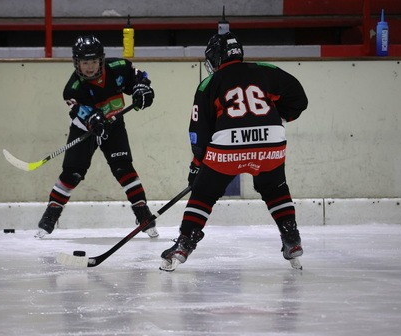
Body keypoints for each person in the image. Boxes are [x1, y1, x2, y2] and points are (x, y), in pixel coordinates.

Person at [160, 32, 308, 271]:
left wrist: (197, 165)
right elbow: (299, 99)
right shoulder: (266, 69)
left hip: (228, 146)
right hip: (270, 141)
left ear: (216, 58)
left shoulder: (210, 83)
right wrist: (278, 116)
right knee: (275, 188)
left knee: (204, 194)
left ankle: (184, 244)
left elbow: (199, 133)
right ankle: (291, 239)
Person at [35, 34, 158, 239]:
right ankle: (51, 214)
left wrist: (142, 90)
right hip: (85, 129)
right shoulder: (72, 88)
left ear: (100, 59)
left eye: (93, 61)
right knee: (72, 173)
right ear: (77, 63)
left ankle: (143, 214)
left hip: (113, 124)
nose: (90, 66)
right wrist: (93, 120)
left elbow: (139, 78)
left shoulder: (119, 67)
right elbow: (80, 112)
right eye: (85, 62)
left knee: (123, 168)